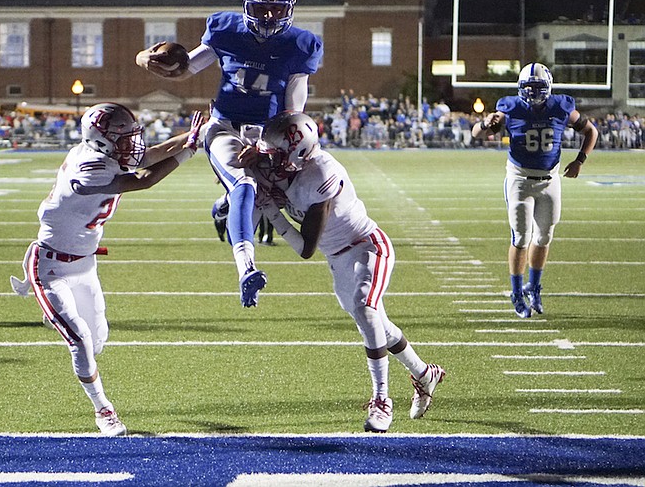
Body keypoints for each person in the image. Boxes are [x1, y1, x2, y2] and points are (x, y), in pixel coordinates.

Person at [9, 103, 203, 436]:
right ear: (102, 140)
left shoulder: (104, 153)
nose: (131, 145)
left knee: (98, 341)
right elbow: (144, 179)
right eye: (123, 139)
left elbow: (152, 153)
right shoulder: (90, 168)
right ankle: (104, 410)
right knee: (81, 341)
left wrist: (196, 134)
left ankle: (55, 314)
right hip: (50, 265)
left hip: (85, 265)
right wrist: (191, 150)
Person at [135, 0, 323, 307]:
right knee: (245, 186)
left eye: (276, 9)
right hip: (224, 127)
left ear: (290, 8)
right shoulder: (225, 29)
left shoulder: (300, 45)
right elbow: (184, 68)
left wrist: (271, 146)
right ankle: (246, 268)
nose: (268, 16)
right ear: (245, 5)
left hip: (269, 134)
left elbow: (293, 109)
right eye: (261, 8)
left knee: (281, 196)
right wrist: (144, 58)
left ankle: (223, 208)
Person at [251, 111, 445, 433]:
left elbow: (305, 248)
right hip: (337, 259)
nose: (270, 160)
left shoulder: (320, 174)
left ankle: (382, 399)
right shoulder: (284, 164)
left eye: (277, 155)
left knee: (365, 308)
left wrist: (272, 211)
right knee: (378, 326)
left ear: (297, 154)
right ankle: (425, 374)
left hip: (366, 246)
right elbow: (250, 168)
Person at [471, 62, 598, 318]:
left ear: (548, 87)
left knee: (544, 237)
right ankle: (517, 292)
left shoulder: (561, 106)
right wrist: (485, 124)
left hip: (550, 180)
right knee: (520, 237)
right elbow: (476, 134)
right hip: (519, 179)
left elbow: (591, 131)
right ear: (520, 88)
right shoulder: (510, 108)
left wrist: (580, 161)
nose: (533, 93)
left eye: (537, 87)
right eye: (528, 88)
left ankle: (534, 286)